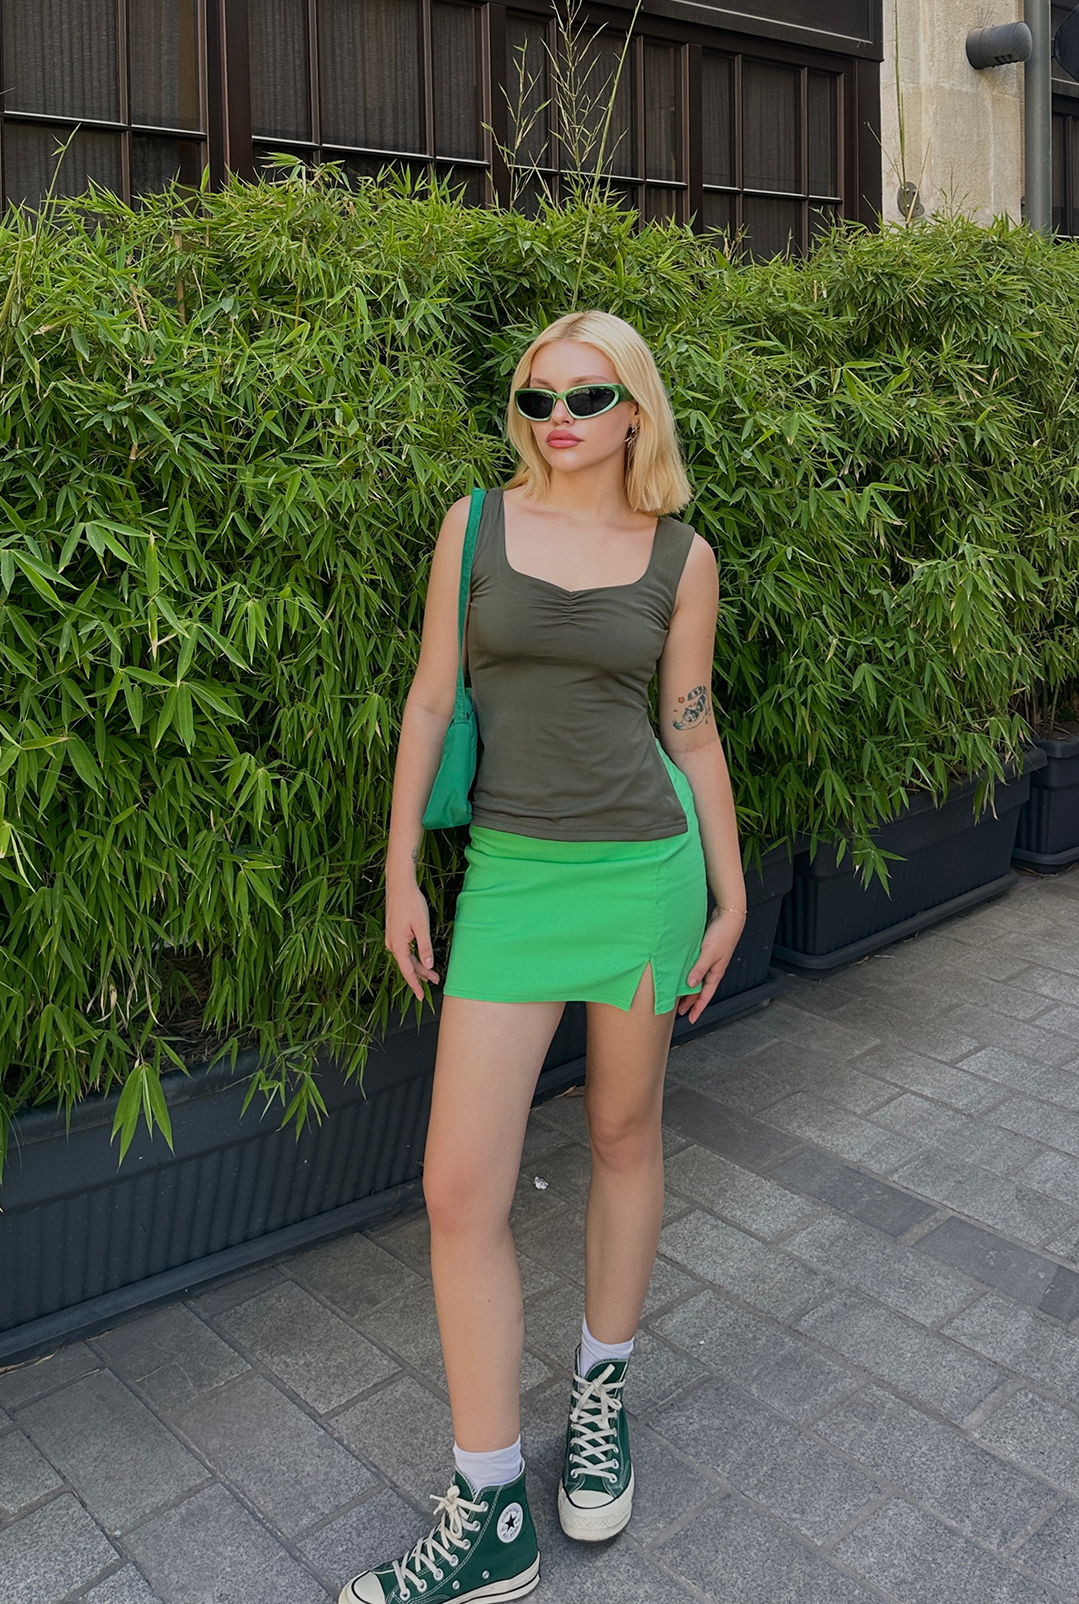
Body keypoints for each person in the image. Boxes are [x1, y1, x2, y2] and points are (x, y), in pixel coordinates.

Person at [340, 310, 746, 1604]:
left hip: (642, 877)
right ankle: (489, 1506)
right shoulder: (474, 528)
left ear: (636, 413)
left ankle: (601, 1391)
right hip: (513, 881)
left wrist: (731, 890)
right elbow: (431, 698)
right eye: (535, 397)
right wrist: (401, 862)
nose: (557, 417)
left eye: (585, 395)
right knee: (459, 1189)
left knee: (623, 1135)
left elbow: (690, 728)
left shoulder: (682, 557)